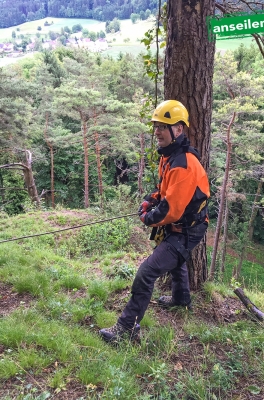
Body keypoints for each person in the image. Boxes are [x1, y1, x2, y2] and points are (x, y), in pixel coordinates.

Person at [99, 100, 210, 342]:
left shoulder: (184, 164)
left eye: (163, 126)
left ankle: (127, 329)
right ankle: (181, 298)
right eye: (156, 126)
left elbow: (171, 210)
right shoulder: (170, 156)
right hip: (182, 225)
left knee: (147, 272)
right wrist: (151, 199)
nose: (157, 131)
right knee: (173, 254)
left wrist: (148, 218)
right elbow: (165, 191)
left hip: (188, 228)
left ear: (178, 129)